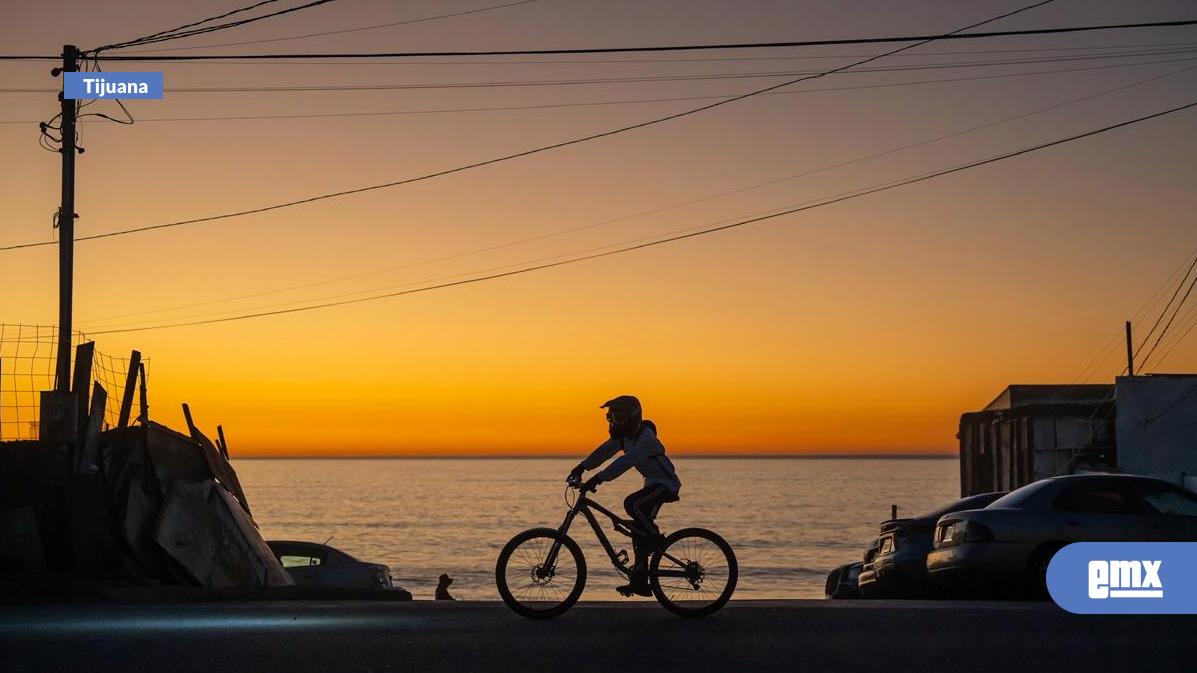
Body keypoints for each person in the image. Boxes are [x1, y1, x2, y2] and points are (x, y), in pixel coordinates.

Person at [567, 395, 681, 597]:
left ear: (633, 417)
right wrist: (582, 467)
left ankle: (656, 539)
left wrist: (599, 478)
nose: (613, 422)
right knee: (638, 532)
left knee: (632, 504)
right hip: (652, 484)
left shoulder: (645, 438)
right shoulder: (625, 438)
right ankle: (640, 582)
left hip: (666, 485)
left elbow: (626, 461)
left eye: (618, 417)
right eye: (610, 417)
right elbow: (604, 452)